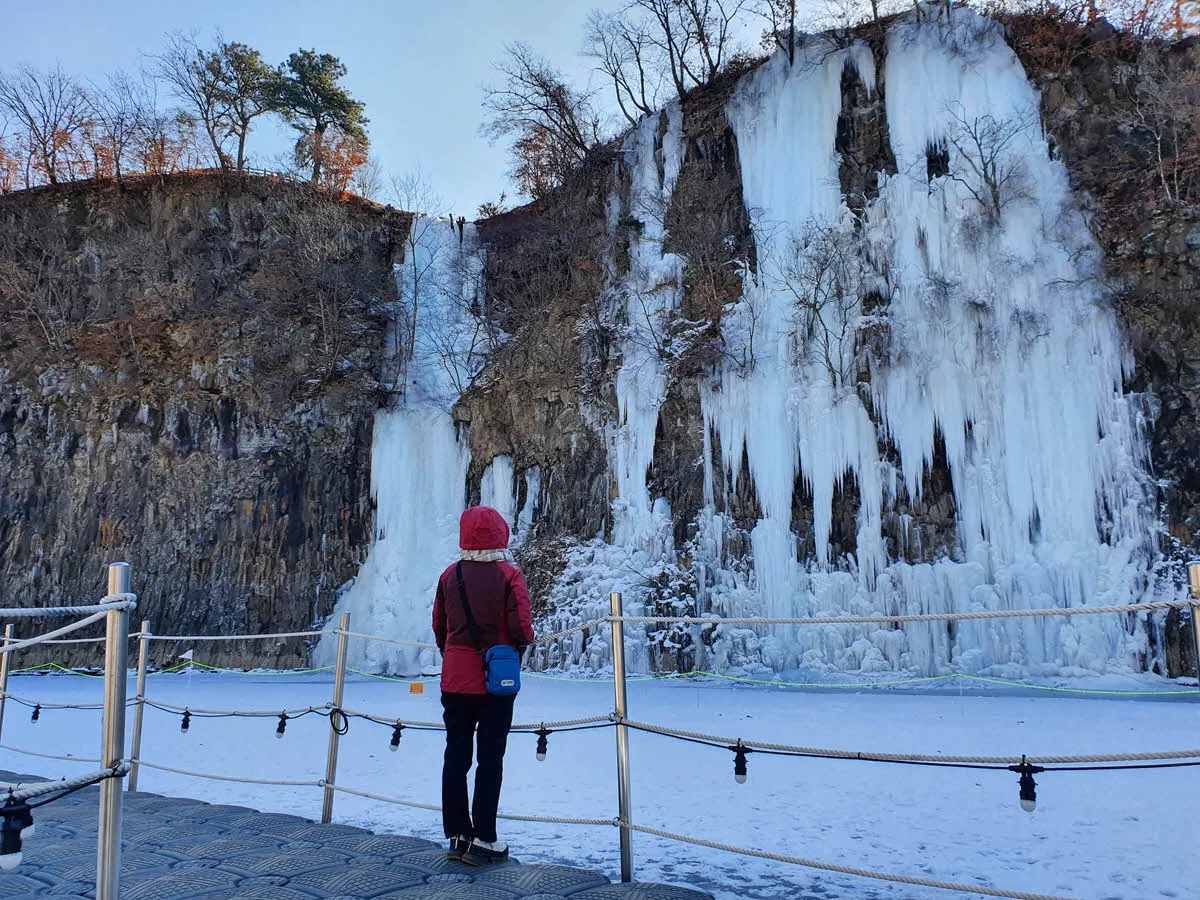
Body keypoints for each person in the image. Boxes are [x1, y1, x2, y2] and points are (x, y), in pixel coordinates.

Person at [432, 505, 534, 866]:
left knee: (456, 756)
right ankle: (484, 839)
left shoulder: (450, 575)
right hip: (495, 681)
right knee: (490, 759)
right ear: (500, 534)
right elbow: (522, 627)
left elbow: (439, 626)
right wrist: (517, 645)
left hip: (455, 680)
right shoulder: (509, 575)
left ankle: (457, 834)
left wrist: (453, 653)